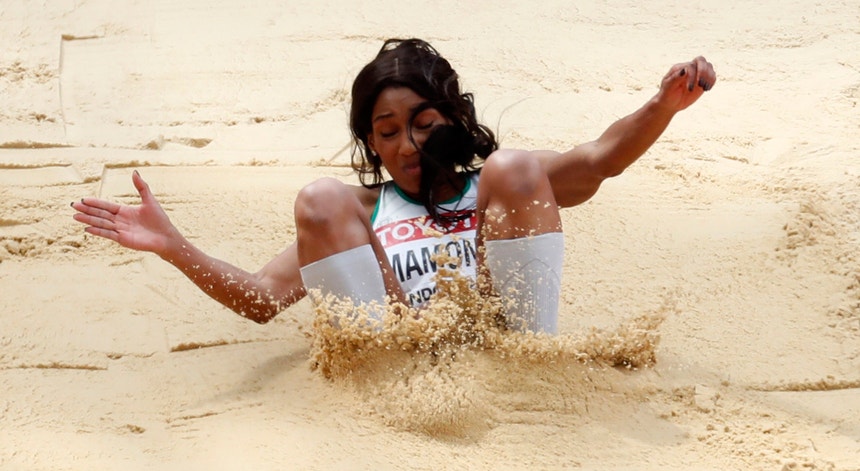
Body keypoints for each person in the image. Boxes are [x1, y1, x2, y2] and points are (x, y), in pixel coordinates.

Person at [71, 38, 716, 335]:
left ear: (456, 121)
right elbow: (265, 298)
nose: (407, 144)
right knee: (320, 196)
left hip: (505, 349)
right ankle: (388, 373)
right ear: (372, 144)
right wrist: (172, 244)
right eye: (386, 131)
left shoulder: (493, 186)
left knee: (518, 166)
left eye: (423, 124)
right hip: (398, 360)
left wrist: (663, 105)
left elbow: (601, 157)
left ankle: (529, 364)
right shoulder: (361, 210)